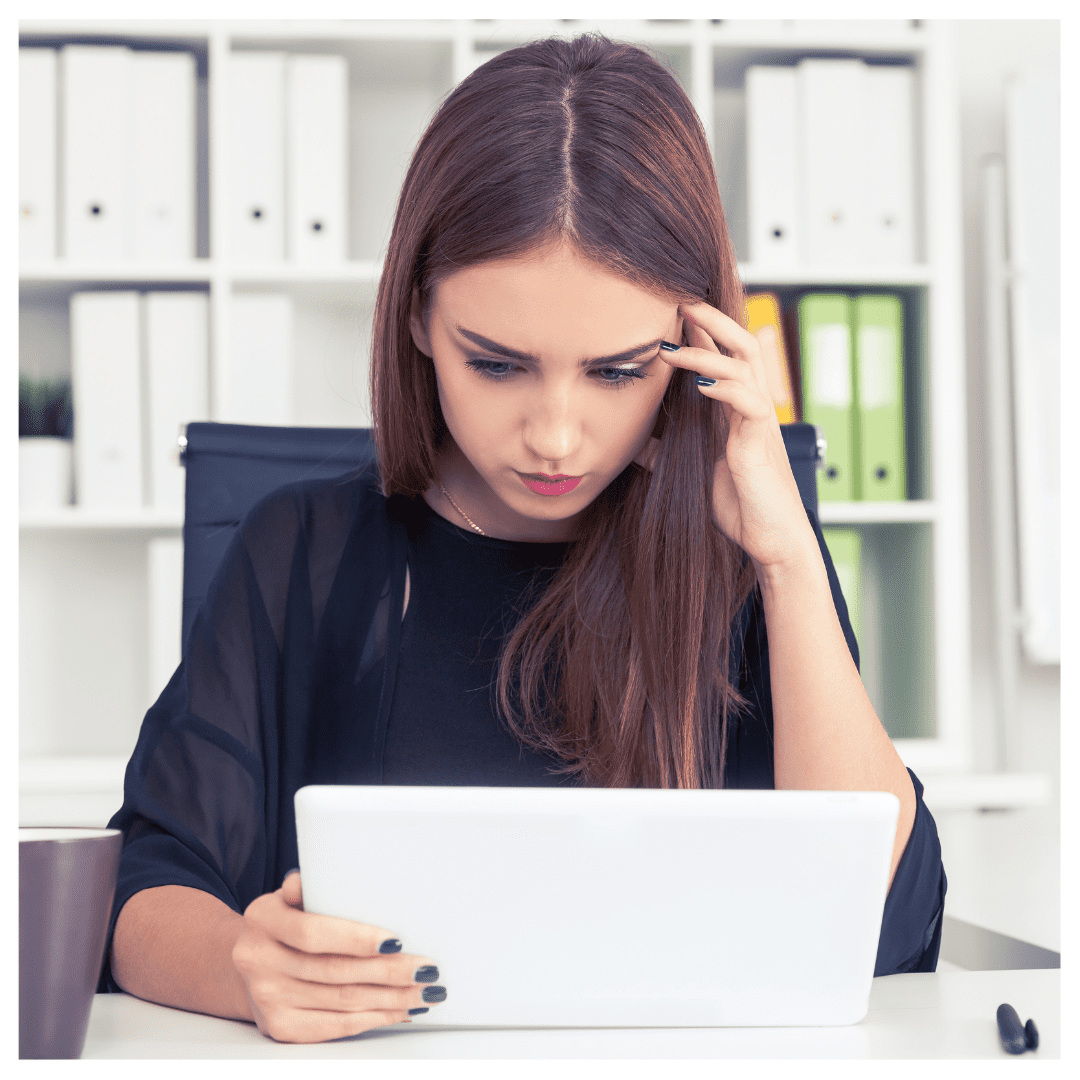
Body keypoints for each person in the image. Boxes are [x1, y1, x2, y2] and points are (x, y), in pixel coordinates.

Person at [101, 34, 946, 1044]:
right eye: (497, 365)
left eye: (618, 371)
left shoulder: (749, 564)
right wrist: (246, 968)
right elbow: (142, 895)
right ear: (418, 316)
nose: (554, 435)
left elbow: (887, 921)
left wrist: (785, 559)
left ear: (696, 347)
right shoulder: (302, 550)